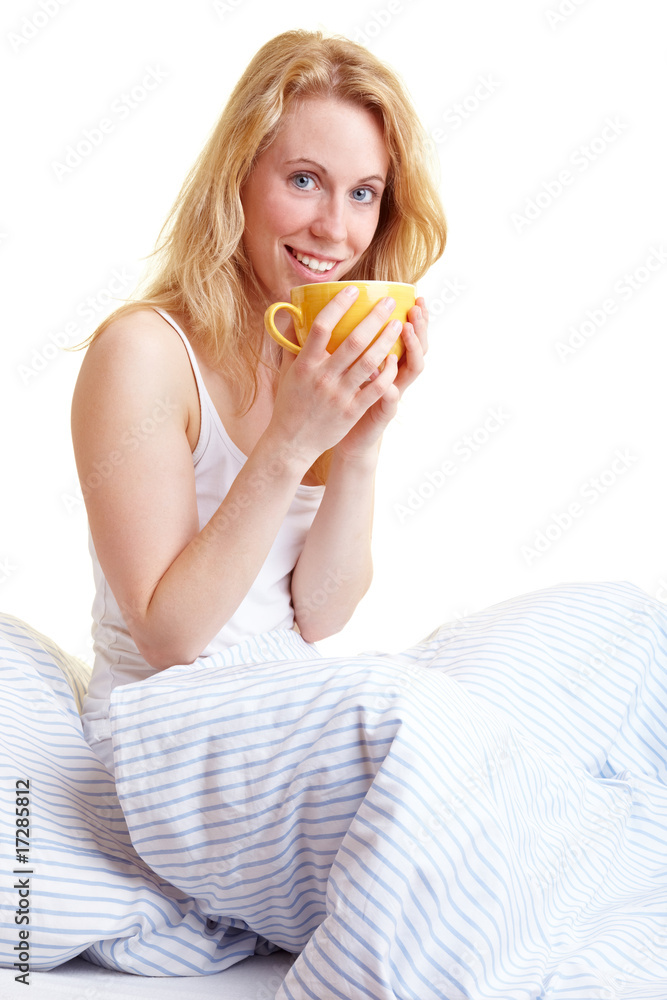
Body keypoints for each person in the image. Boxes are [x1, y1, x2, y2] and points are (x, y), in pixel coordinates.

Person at [1, 28, 666, 1000]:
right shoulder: (141, 352)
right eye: (304, 180)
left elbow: (319, 615)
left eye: (363, 194)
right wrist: (284, 444)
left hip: (294, 697)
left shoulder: (311, 342)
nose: (334, 228)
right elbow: (171, 635)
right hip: (171, 731)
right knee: (416, 719)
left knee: (616, 621)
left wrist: (359, 441)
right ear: (238, 177)